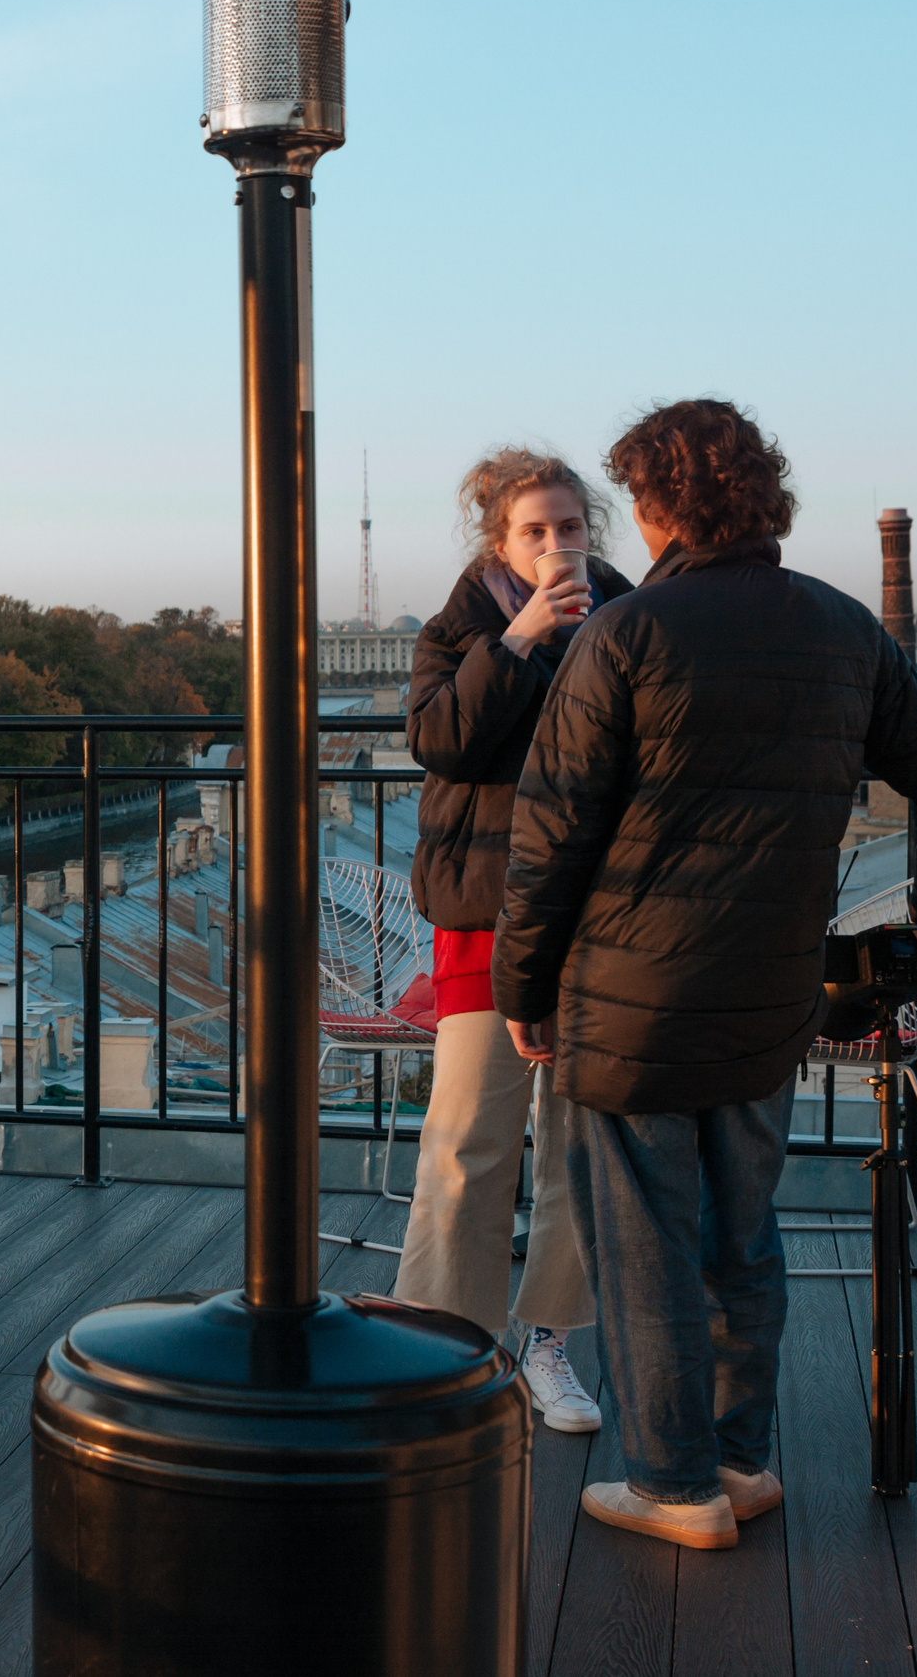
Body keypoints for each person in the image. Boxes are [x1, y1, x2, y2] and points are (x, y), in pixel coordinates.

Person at [493, 398, 917, 1550]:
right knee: (742, 1232)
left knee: (644, 1241)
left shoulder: (625, 635)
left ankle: (670, 1485)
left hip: (628, 1002)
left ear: (656, 508)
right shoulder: (844, 629)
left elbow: (549, 837)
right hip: (770, 989)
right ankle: (742, 1459)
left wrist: (521, 988)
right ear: (765, 496)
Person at [396, 448, 632, 1435]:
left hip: (597, 914)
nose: (555, 545)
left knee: (579, 1140)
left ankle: (547, 1341)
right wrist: (523, 639)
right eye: (533, 531)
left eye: (569, 528)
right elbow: (442, 742)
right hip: (486, 910)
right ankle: (442, 1348)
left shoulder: (628, 618)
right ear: (499, 541)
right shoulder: (458, 630)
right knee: (466, 1138)